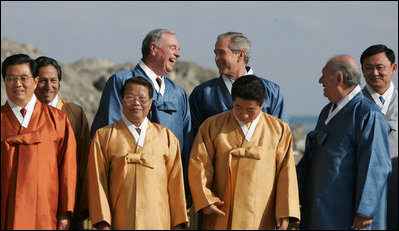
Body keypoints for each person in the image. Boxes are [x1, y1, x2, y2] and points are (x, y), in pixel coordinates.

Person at [90, 29, 193, 206]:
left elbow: (187, 142)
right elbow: (105, 138)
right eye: (173, 47)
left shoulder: (178, 93)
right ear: (153, 49)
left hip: (167, 190)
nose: (178, 53)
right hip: (126, 189)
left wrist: (184, 191)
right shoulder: (120, 81)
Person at [188, 75, 300, 230]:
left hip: (262, 212)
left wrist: (284, 211)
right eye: (238, 107)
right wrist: (206, 199)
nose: (244, 114)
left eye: (251, 110)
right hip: (222, 210)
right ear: (232, 101)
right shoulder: (212, 126)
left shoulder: (279, 130)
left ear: (262, 104)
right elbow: (199, 164)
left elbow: (286, 172)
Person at [297, 55, 392, 229]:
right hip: (319, 207)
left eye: (324, 76)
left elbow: (376, 165)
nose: (320, 81)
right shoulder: (327, 111)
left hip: (347, 212)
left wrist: (365, 211)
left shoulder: (367, 114)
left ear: (339, 78)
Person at [87, 77, 188, 229]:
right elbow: (97, 181)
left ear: (150, 103)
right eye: (130, 97)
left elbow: (176, 183)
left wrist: (177, 223)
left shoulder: (166, 137)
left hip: (158, 220)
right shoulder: (104, 136)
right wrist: (103, 222)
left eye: (142, 98)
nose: (136, 103)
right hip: (119, 220)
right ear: (121, 100)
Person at [1, 54, 77, 229]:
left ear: (35, 81)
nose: (17, 84)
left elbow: (68, 169)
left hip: (45, 211)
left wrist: (65, 212)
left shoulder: (57, 120)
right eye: (11, 78)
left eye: (23, 78)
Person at [189, 32, 288, 137]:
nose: (216, 58)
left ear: (240, 55)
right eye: (215, 53)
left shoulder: (271, 91)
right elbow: (194, 139)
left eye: (221, 53)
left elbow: (281, 136)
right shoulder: (202, 93)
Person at [33, 56, 91, 229]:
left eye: (53, 80)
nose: (48, 86)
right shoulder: (23, 114)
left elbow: (84, 159)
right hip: (36, 196)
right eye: (42, 80)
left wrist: (82, 205)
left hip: (69, 197)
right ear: (34, 81)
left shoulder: (74, 113)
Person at [360, 44, 398, 230]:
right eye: (368, 68)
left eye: (379, 67)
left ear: (393, 68)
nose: (374, 72)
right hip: (364, 199)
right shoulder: (354, 106)